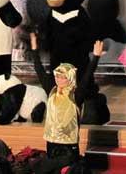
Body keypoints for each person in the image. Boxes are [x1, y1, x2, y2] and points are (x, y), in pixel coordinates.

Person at [30, 33, 103, 174]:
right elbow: (39, 70)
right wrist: (34, 50)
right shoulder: (51, 90)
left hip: (68, 145)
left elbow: (88, 75)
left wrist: (96, 57)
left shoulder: (76, 94)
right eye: (57, 76)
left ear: (69, 78)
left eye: (62, 77)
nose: (58, 79)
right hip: (52, 141)